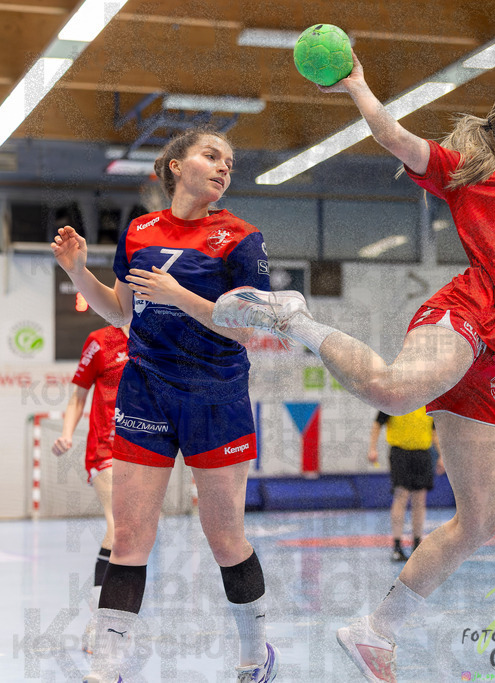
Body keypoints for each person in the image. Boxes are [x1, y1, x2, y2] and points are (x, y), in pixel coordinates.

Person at [211, 51, 495, 683]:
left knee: (480, 521)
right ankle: (291, 317)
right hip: (464, 313)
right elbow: (396, 138)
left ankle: (374, 630)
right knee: (392, 390)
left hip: (491, 360)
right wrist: (360, 83)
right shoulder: (480, 174)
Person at [52, 127, 279, 683]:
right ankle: (107, 668)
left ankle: (256, 656)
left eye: (229, 160)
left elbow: (253, 329)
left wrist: (179, 296)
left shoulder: (242, 238)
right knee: (129, 537)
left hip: (216, 397)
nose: (223, 167)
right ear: (176, 166)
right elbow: (125, 314)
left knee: (225, 537)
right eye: (211, 155)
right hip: (146, 388)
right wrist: (77, 271)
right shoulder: (139, 232)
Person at [53, 324, 129, 654]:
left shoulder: (156, 334)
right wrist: (67, 433)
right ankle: (101, 622)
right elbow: (78, 394)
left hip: (144, 451)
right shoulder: (100, 342)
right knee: (120, 527)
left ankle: (107, 619)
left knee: (134, 537)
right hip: (105, 450)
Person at [368, 407, 444, 562]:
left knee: (419, 500)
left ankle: (417, 544)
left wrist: (442, 455)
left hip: (422, 453)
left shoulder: (428, 402)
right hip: (400, 453)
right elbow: (378, 423)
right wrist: (372, 448)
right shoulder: (394, 400)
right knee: (401, 496)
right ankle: (397, 546)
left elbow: (433, 431)